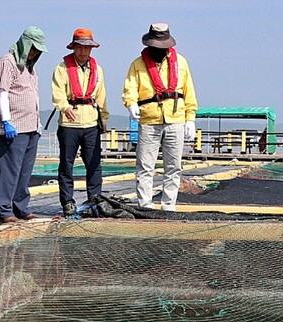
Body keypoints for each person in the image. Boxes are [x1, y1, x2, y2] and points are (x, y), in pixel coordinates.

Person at [122, 23, 197, 211]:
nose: (158, 49)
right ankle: (145, 205)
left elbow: (189, 92)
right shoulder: (137, 65)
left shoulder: (181, 62)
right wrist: (131, 103)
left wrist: (191, 118)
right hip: (149, 120)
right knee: (145, 166)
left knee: (174, 166)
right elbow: (129, 88)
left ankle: (168, 205)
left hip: (175, 119)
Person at [51, 28, 109, 217]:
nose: (83, 52)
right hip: (70, 124)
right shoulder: (62, 68)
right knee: (66, 164)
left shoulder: (97, 69)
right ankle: (67, 201)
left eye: (87, 48)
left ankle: (95, 201)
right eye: (80, 48)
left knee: (94, 164)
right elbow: (58, 92)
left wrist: (104, 119)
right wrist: (64, 107)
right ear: (74, 47)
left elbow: (101, 96)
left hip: (91, 122)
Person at [0, 27, 46, 225]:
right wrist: (6, 120)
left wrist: (37, 125)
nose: (35, 53)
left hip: (31, 126)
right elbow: (2, 92)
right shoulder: (7, 61)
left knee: (24, 171)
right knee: (9, 170)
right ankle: (4, 210)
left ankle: (21, 207)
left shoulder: (31, 68)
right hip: (15, 126)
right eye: (33, 48)